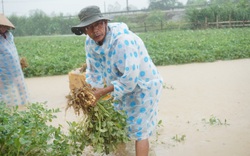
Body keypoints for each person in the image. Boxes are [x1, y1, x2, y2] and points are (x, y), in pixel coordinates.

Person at [71, 6, 163, 156]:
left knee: (140, 130)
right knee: (120, 123)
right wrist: (91, 92)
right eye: (90, 27)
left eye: (98, 24)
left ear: (105, 23)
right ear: (84, 31)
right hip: (119, 85)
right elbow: (93, 71)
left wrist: (101, 92)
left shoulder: (123, 42)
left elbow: (130, 79)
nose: (95, 31)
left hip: (143, 85)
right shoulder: (90, 43)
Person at [0, 13, 29, 106]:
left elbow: (12, 50)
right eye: (2, 26)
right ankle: (6, 107)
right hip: (2, 69)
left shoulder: (9, 36)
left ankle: (24, 103)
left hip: (15, 66)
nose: (4, 28)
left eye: (5, 26)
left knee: (20, 84)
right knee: (4, 89)